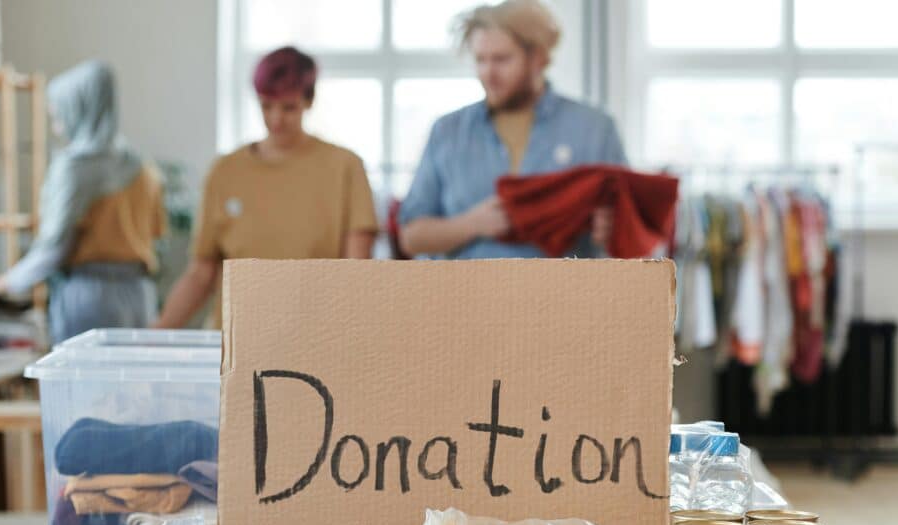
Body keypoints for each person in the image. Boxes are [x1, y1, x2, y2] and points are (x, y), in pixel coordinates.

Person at [155, 46, 377, 328]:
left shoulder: (345, 167)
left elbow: (355, 273)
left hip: (315, 335)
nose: (276, 119)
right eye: (266, 106)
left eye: (288, 107)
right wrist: (156, 333)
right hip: (236, 336)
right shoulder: (225, 171)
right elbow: (201, 273)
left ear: (309, 100)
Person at [398, 0, 628, 259]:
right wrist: (472, 224)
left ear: (538, 58)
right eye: (480, 60)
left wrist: (613, 228)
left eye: (501, 59)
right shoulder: (447, 132)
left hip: (567, 284)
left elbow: (632, 230)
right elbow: (411, 236)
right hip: (467, 285)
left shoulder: (595, 130)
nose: (488, 73)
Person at [0, 60, 165, 345]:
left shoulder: (75, 168)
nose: (57, 128)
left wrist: (4, 283)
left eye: (59, 116)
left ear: (79, 109)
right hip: (139, 297)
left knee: (84, 374)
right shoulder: (144, 169)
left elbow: (55, 247)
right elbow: (156, 233)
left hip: (89, 300)